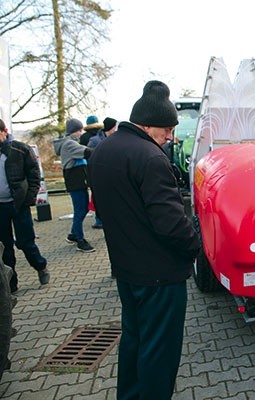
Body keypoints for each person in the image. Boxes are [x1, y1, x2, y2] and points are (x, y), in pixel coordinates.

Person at [88, 80, 200, 400]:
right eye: (166, 130)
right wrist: (195, 247)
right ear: (148, 123)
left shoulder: (104, 150)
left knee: (134, 341)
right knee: (159, 353)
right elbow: (170, 224)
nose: (169, 137)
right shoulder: (150, 158)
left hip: (127, 269)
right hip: (160, 275)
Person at [0, 119, 49, 292]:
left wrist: (29, 198)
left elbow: (34, 175)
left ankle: (40, 265)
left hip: (18, 204)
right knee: (4, 246)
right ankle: (11, 284)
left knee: (25, 242)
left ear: (4, 131)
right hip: (1, 207)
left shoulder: (20, 149)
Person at [53, 118, 95, 253]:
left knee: (82, 208)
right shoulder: (69, 144)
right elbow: (87, 152)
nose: (81, 133)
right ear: (73, 131)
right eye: (79, 130)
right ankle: (80, 239)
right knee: (81, 209)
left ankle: (73, 234)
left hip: (77, 181)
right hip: (75, 182)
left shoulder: (69, 143)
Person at [88, 117, 118, 230]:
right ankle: (99, 220)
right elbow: (89, 155)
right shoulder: (95, 140)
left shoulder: (113, 139)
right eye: (114, 127)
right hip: (98, 173)